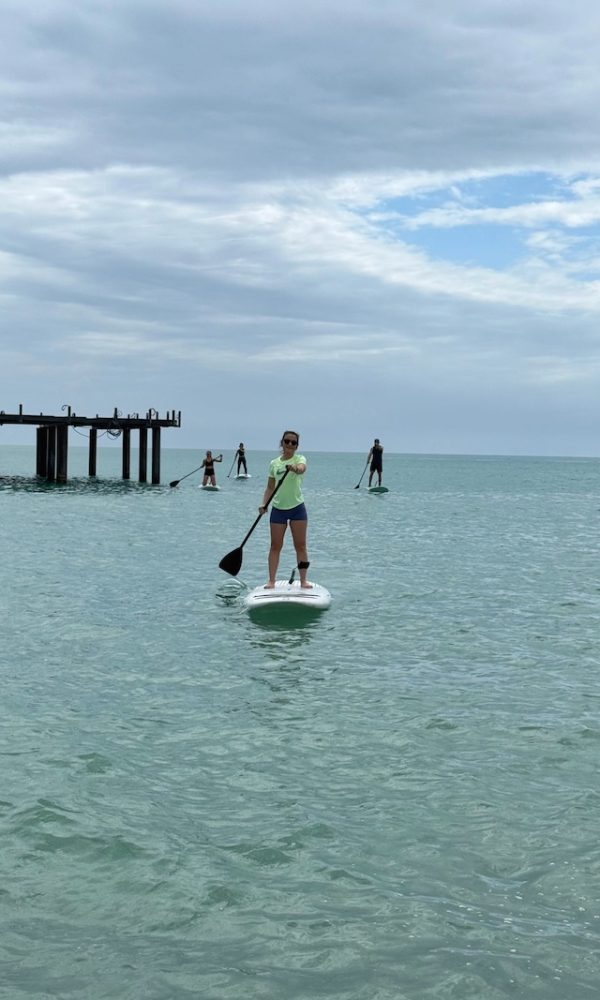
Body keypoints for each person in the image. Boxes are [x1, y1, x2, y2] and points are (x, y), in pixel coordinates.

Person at [258, 431, 311, 589]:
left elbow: (302, 468)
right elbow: (270, 487)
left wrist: (295, 468)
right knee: (275, 546)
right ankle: (271, 581)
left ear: (296, 446)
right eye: (287, 441)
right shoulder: (274, 463)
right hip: (278, 509)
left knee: (300, 545)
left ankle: (303, 581)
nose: (289, 444)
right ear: (282, 443)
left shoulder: (300, 459)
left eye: (293, 442)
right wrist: (264, 504)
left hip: (297, 508)